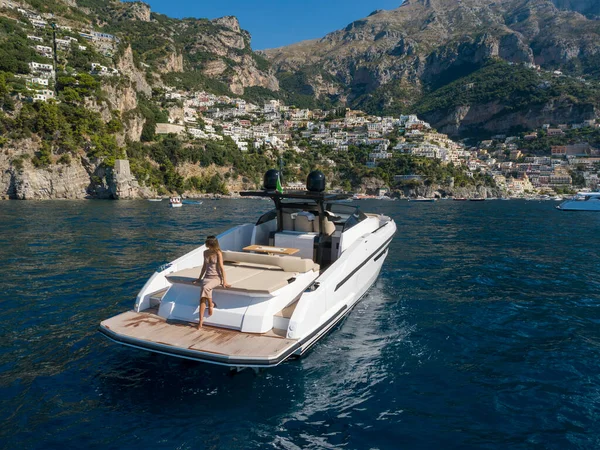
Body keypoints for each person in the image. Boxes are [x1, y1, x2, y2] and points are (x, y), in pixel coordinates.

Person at [195, 236, 230, 329]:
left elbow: (222, 267)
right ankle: (201, 321)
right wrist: (199, 278)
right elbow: (204, 267)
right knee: (202, 298)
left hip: (216, 278)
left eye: (208, 244)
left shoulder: (218, 253)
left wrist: (224, 281)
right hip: (207, 277)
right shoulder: (205, 253)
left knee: (205, 288)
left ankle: (210, 304)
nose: (207, 246)